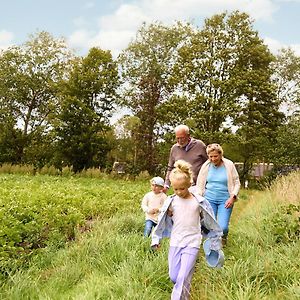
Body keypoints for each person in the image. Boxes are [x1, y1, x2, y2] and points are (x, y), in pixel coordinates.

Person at [151, 160, 223, 300]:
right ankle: (185, 295)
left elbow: (210, 221)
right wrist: (156, 238)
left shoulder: (199, 202)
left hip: (193, 242)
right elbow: (161, 222)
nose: (179, 192)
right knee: (174, 276)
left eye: (182, 189)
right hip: (176, 241)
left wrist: (215, 239)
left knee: (183, 276)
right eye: (176, 189)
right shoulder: (171, 202)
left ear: (190, 184)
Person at [196, 143, 240, 245]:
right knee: (209, 225)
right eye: (210, 157)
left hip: (225, 200)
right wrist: (199, 198)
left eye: (215, 156)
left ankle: (224, 236)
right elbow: (200, 184)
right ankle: (213, 245)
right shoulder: (206, 166)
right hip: (209, 199)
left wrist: (233, 197)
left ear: (220, 155)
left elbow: (237, 182)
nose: (213, 159)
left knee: (223, 227)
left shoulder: (229, 165)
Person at [164, 125, 208, 192]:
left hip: (198, 186)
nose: (180, 141)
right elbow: (170, 168)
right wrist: (166, 185)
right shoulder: (174, 148)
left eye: (182, 138)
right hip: (181, 187)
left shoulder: (199, 145)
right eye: (177, 138)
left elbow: (209, 164)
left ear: (188, 136)